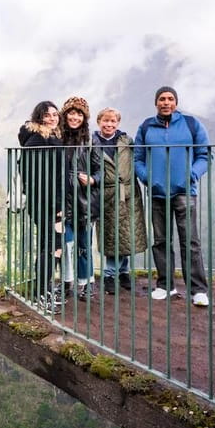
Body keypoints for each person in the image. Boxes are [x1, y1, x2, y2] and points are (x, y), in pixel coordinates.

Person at [134, 86, 211, 307]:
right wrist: (147, 177)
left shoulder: (191, 124)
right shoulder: (146, 127)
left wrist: (192, 174)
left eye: (170, 98)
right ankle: (165, 285)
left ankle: (198, 290)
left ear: (175, 102)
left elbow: (204, 155)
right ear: (156, 102)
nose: (166, 102)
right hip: (157, 192)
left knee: (190, 241)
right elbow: (138, 158)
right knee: (161, 241)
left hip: (184, 191)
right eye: (162, 99)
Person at [93, 107, 148, 295]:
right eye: (105, 120)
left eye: (113, 121)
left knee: (126, 235)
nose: (109, 124)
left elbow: (138, 159)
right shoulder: (92, 143)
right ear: (98, 122)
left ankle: (123, 272)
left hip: (129, 194)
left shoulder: (127, 141)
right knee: (112, 236)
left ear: (118, 123)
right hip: (106, 195)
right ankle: (109, 275)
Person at [17, 101, 65, 312]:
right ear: (39, 118)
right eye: (47, 115)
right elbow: (38, 177)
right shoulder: (38, 140)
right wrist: (56, 204)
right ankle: (40, 294)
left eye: (55, 114)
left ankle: (44, 289)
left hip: (48, 201)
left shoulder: (49, 137)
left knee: (52, 245)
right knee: (51, 245)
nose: (53, 118)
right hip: (45, 202)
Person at [59, 96, 102, 302]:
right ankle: (66, 282)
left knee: (84, 246)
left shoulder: (91, 141)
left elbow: (100, 170)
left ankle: (86, 284)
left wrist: (92, 179)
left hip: (85, 202)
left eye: (79, 114)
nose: (74, 117)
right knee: (65, 244)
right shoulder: (58, 139)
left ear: (84, 118)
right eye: (71, 113)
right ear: (65, 115)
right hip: (62, 200)